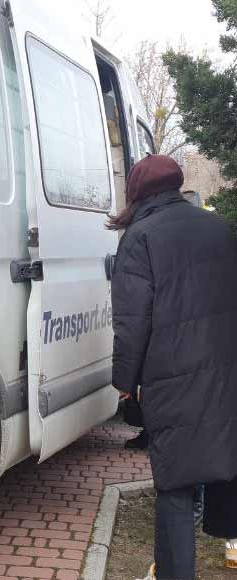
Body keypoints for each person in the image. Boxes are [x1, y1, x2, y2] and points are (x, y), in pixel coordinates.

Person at [110, 154, 237, 580]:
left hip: (171, 378)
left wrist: (125, 384)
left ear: (137, 193)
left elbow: (132, 322)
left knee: (176, 485)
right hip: (224, 375)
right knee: (222, 462)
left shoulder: (139, 237)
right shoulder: (218, 228)